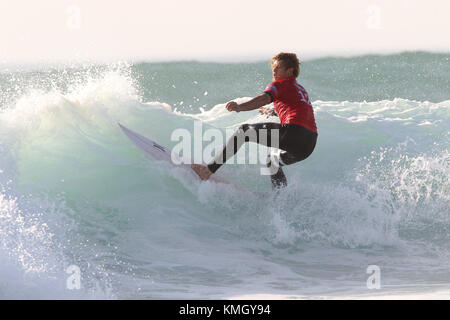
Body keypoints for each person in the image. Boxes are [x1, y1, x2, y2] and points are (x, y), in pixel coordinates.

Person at [191, 52, 318, 189]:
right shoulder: (300, 89)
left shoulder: (280, 84)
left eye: (278, 68)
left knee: (243, 132)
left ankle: (207, 171)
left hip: (293, 132)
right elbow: (295, 109)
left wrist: (240, 107)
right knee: (272, 161)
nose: (274, 71)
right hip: (308, 144)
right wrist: (270, 112)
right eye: (273, 68)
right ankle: (281, 198)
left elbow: (264, 98)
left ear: (290, 71)